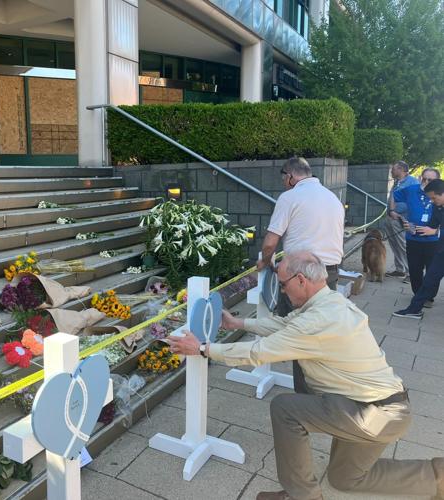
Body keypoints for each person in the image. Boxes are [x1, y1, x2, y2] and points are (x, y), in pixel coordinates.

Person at [168, 251, 443, 500]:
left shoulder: (317, 320)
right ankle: (439, 478)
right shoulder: (329, 301)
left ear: (301, 280)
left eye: (283, 284)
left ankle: (301, 497)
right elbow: (285, 324)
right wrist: (238, 322)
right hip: (386, 406)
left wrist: (203, 349)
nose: (283, 291)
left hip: (373, 411)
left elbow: (258, 353)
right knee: (345, 479)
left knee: (286, 409)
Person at [258, 157, 344, 392]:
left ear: (290, 176)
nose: (284, 183)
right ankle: (325, 389)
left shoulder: (290, 197)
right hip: (330, 273)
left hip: (300, 276)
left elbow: (270, 243)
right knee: (319, 332)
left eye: (284, 179)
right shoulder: (332, 197)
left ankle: (305, 397)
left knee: (300, 335)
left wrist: (265, 262)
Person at [393, 178, 444, 319]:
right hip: (442, 253)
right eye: (430, 199)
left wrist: (435, 232)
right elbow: (431, 225)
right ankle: (414, 309)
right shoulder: (438, 206)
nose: (432, 201)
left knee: (430, 278)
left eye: (434, 198)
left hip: (438, 246)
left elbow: (434, 230)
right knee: (429, 280)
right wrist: (412, 227)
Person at [386, 161, 419, 279]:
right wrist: (390, 211)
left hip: (403, 219)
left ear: (401, 170)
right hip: (391, 218)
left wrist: (396, 211)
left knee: (404, 245)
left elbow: (413, 202)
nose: (391, 171)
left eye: (394, 169)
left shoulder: (412, 182)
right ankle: (400, 269)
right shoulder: (396, 182)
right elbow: (392, 199)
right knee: (395, 244)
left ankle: (412, 272)